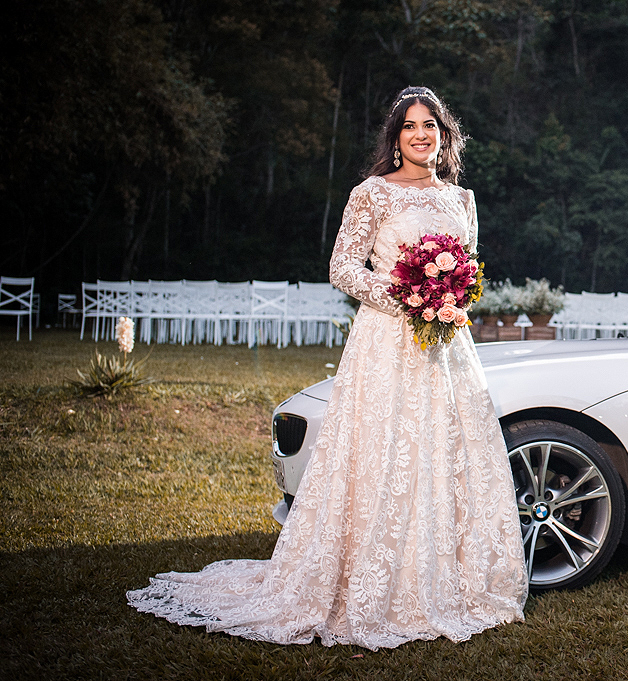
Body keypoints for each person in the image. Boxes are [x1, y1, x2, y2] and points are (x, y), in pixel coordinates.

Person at [128, 86, 528, 648]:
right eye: (410, 126)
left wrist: (452, 296)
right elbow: (342, 267)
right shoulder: (372, 194)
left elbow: (469, 270)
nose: (421, 134)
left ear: (444, 135)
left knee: (445, 451)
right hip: (386, 341)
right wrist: (408, 294)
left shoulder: (463, 201)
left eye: (431, 125)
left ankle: (446, 579)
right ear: (395, 141)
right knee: (382, 450)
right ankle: (363, 582)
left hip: (446, 348)